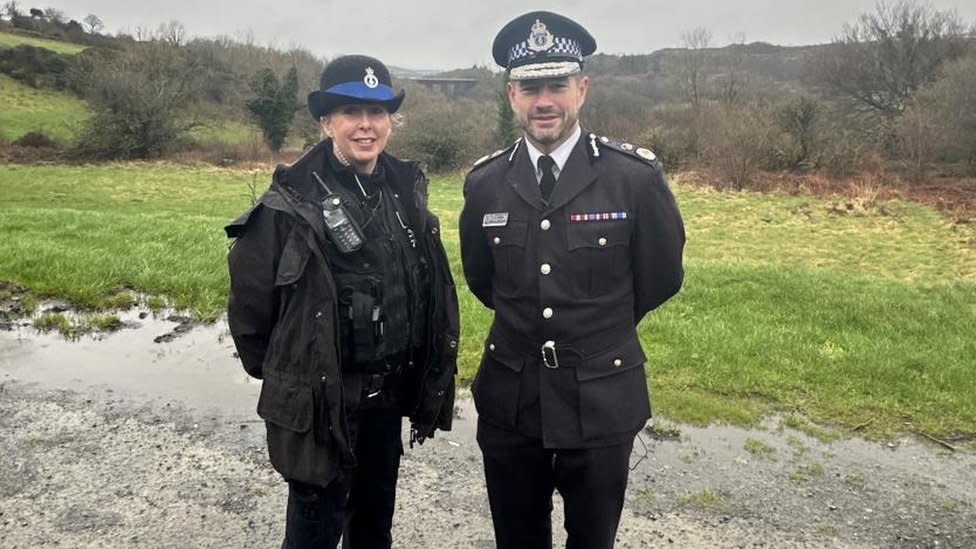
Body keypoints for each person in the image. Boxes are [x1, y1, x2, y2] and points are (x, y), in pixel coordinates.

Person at [459, 11, 685, 549]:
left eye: (556, 85)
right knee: (517, 539)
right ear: (511, 94)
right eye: (530, 87)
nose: (544, 101)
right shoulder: (486, 183)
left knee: (593, 540)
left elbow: (659, 277)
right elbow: (483, 280)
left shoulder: (633, 178)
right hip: (512, 399)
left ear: (581, 88)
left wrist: (597, 328)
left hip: (602, 393)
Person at [225, 54, 458, 549]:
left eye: (378, 113)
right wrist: (297, 377)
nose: (367, 125)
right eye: (352, 112)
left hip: (386, 398)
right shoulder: (285, 205)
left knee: (374, 527)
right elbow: (250, 318)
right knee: (314, 529)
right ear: (327, 121)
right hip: (321, 402)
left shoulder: (405, 193)